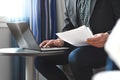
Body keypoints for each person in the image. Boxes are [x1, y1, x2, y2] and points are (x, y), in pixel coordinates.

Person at [35, 0, 120, 80]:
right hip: (80, 46)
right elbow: (69, 27)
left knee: (76, 57)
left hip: (106, 46)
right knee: (41, 59)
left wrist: (108, 35)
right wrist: (60, 40)